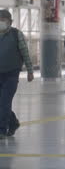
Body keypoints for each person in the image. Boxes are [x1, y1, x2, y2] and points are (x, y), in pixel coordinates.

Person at [0, 10, 34, 139]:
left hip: (11, 74)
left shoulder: (16, 34)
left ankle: (2, 130)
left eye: (4, 19)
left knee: (4, 102)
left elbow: (24, 52)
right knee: (2, 103)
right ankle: (13, 123)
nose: (1, 21)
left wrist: (30, 70)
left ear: (10, 21)